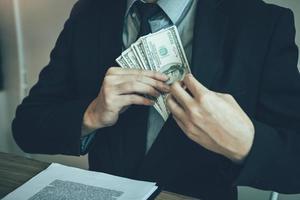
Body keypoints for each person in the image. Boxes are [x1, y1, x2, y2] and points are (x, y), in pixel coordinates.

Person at [12, 0, 300, 199]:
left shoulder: (263, 24)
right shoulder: (88, 11)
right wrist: (91, 114)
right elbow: (26, 129)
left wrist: (245, 144)